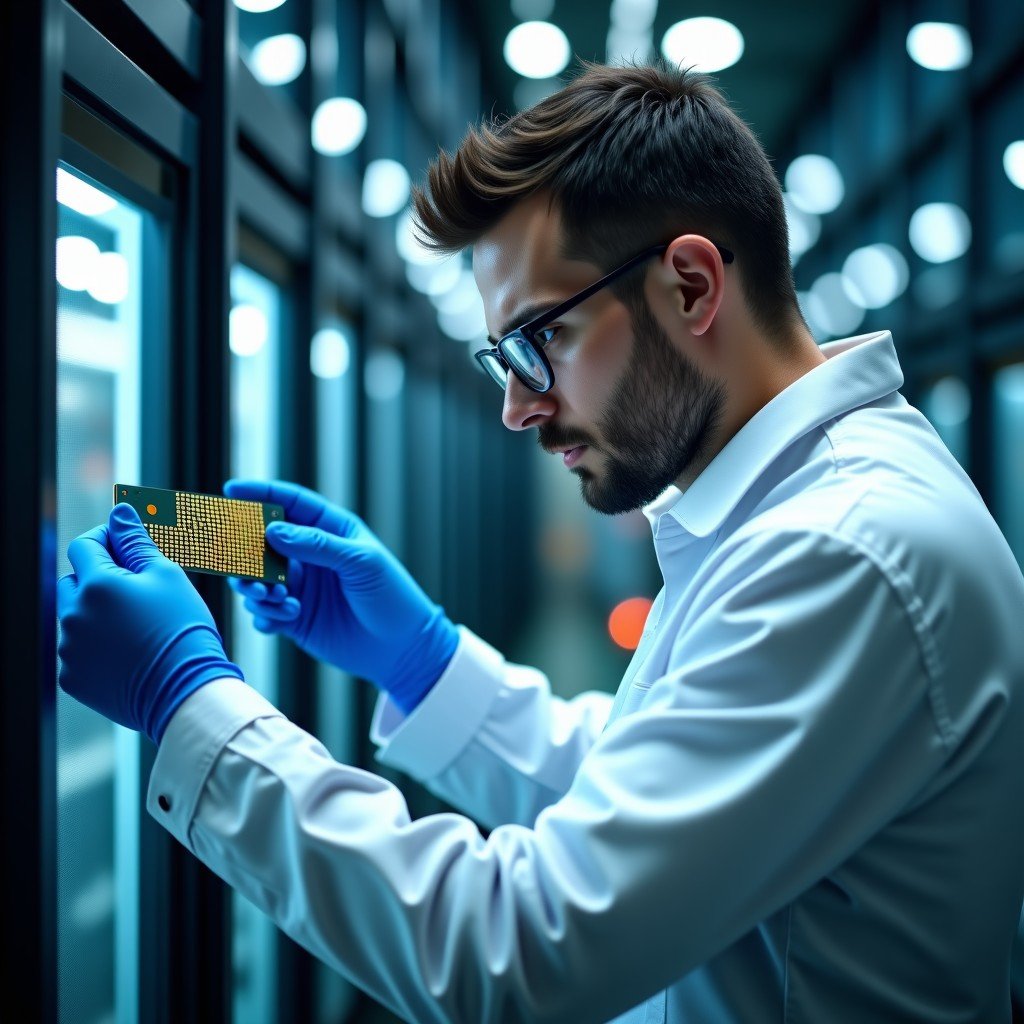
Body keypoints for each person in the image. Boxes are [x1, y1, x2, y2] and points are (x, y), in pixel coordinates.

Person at [56, 61, 1024, 1023]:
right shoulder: (800, 512)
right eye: (502, 359)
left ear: (689, 286)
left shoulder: (843, 554)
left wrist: (188, 702)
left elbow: (519, 951)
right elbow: (659, 790)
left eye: (538, 341)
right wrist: (425, 660)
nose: (518, 407)